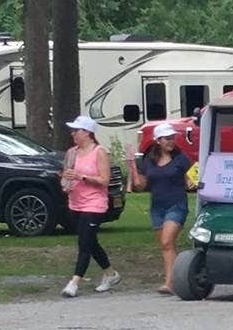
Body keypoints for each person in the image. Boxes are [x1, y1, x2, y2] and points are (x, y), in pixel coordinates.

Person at [60, 115, 121, 297]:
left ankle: (74, 282)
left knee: (84, 243)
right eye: (72, 131)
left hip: (94, 203)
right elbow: (66, 173)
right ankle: (110, 273)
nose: (73, 134)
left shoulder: (99, 152)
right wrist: (65, 181)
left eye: (76, 131)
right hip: (75, 202)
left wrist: (82, 177)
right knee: (90, 241)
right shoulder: (72, 152)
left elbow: (104, 180)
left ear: (87, 133)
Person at [129, 122, 192, 294]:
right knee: (167, 246)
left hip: (176, 204)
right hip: (157, 207)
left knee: (166, 241)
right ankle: (179, 278)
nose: (171, 141)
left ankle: (170, 282)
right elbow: (140, 185)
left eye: (172, 138)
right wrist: (132, 167)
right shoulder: (149, 161)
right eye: (167, 138)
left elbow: (192, 176)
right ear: (158, 140)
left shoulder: (181, 159)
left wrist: (192, 181)